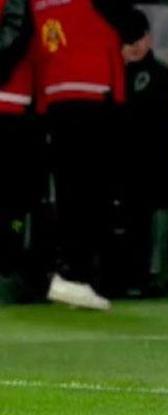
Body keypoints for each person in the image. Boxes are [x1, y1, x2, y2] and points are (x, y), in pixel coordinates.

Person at [29, 0, 134, 310]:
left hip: (55, 97)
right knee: (93, 195)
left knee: (68, 194)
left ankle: (69, 274)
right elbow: (130, 26)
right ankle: (82, 275)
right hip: (94, 94)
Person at [111, 7, 168, 296]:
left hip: (152, 168)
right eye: (126, 40)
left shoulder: (167, 80)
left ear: (148, 38)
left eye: (137, 39)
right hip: (119, 167)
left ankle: (143, 276)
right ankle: (118, 276)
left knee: (143, 223)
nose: (132, 46)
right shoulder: (111, 76)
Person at [0, 0, 42, 293]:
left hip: (12, 105)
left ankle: (9, 262)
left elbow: (16, 35)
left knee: (12, 195)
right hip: (13, 103)